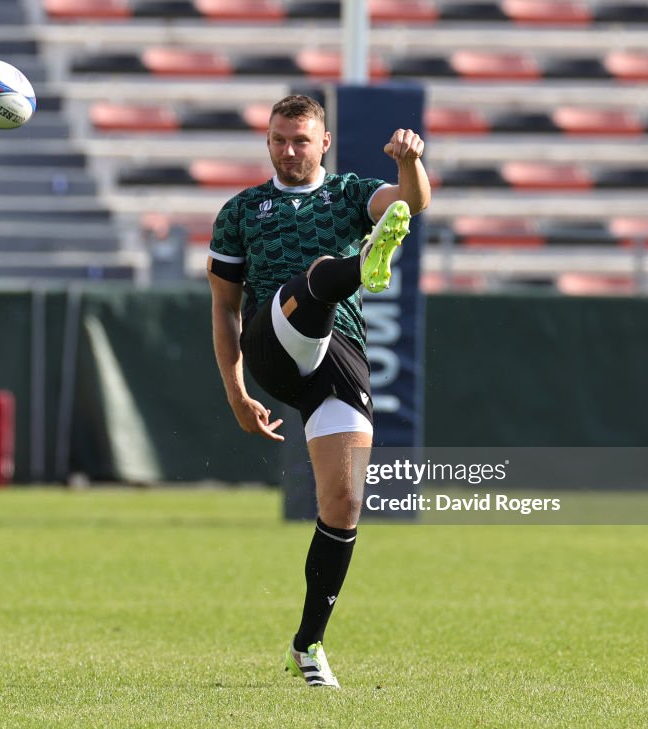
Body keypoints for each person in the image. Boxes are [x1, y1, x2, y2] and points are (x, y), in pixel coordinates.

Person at [206, 94, 430, 688]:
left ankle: (307, 646)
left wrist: (409, 162)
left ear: (323, 143)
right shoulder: (242, 210)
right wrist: (235, 391)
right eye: (278, 140)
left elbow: (412, 201)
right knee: (317, 279)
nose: (288, 150)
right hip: (271, 345)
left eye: (300, 140)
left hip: (340, 358)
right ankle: (363, 267)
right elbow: (224, 309)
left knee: (344, 502)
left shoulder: (351, 192)